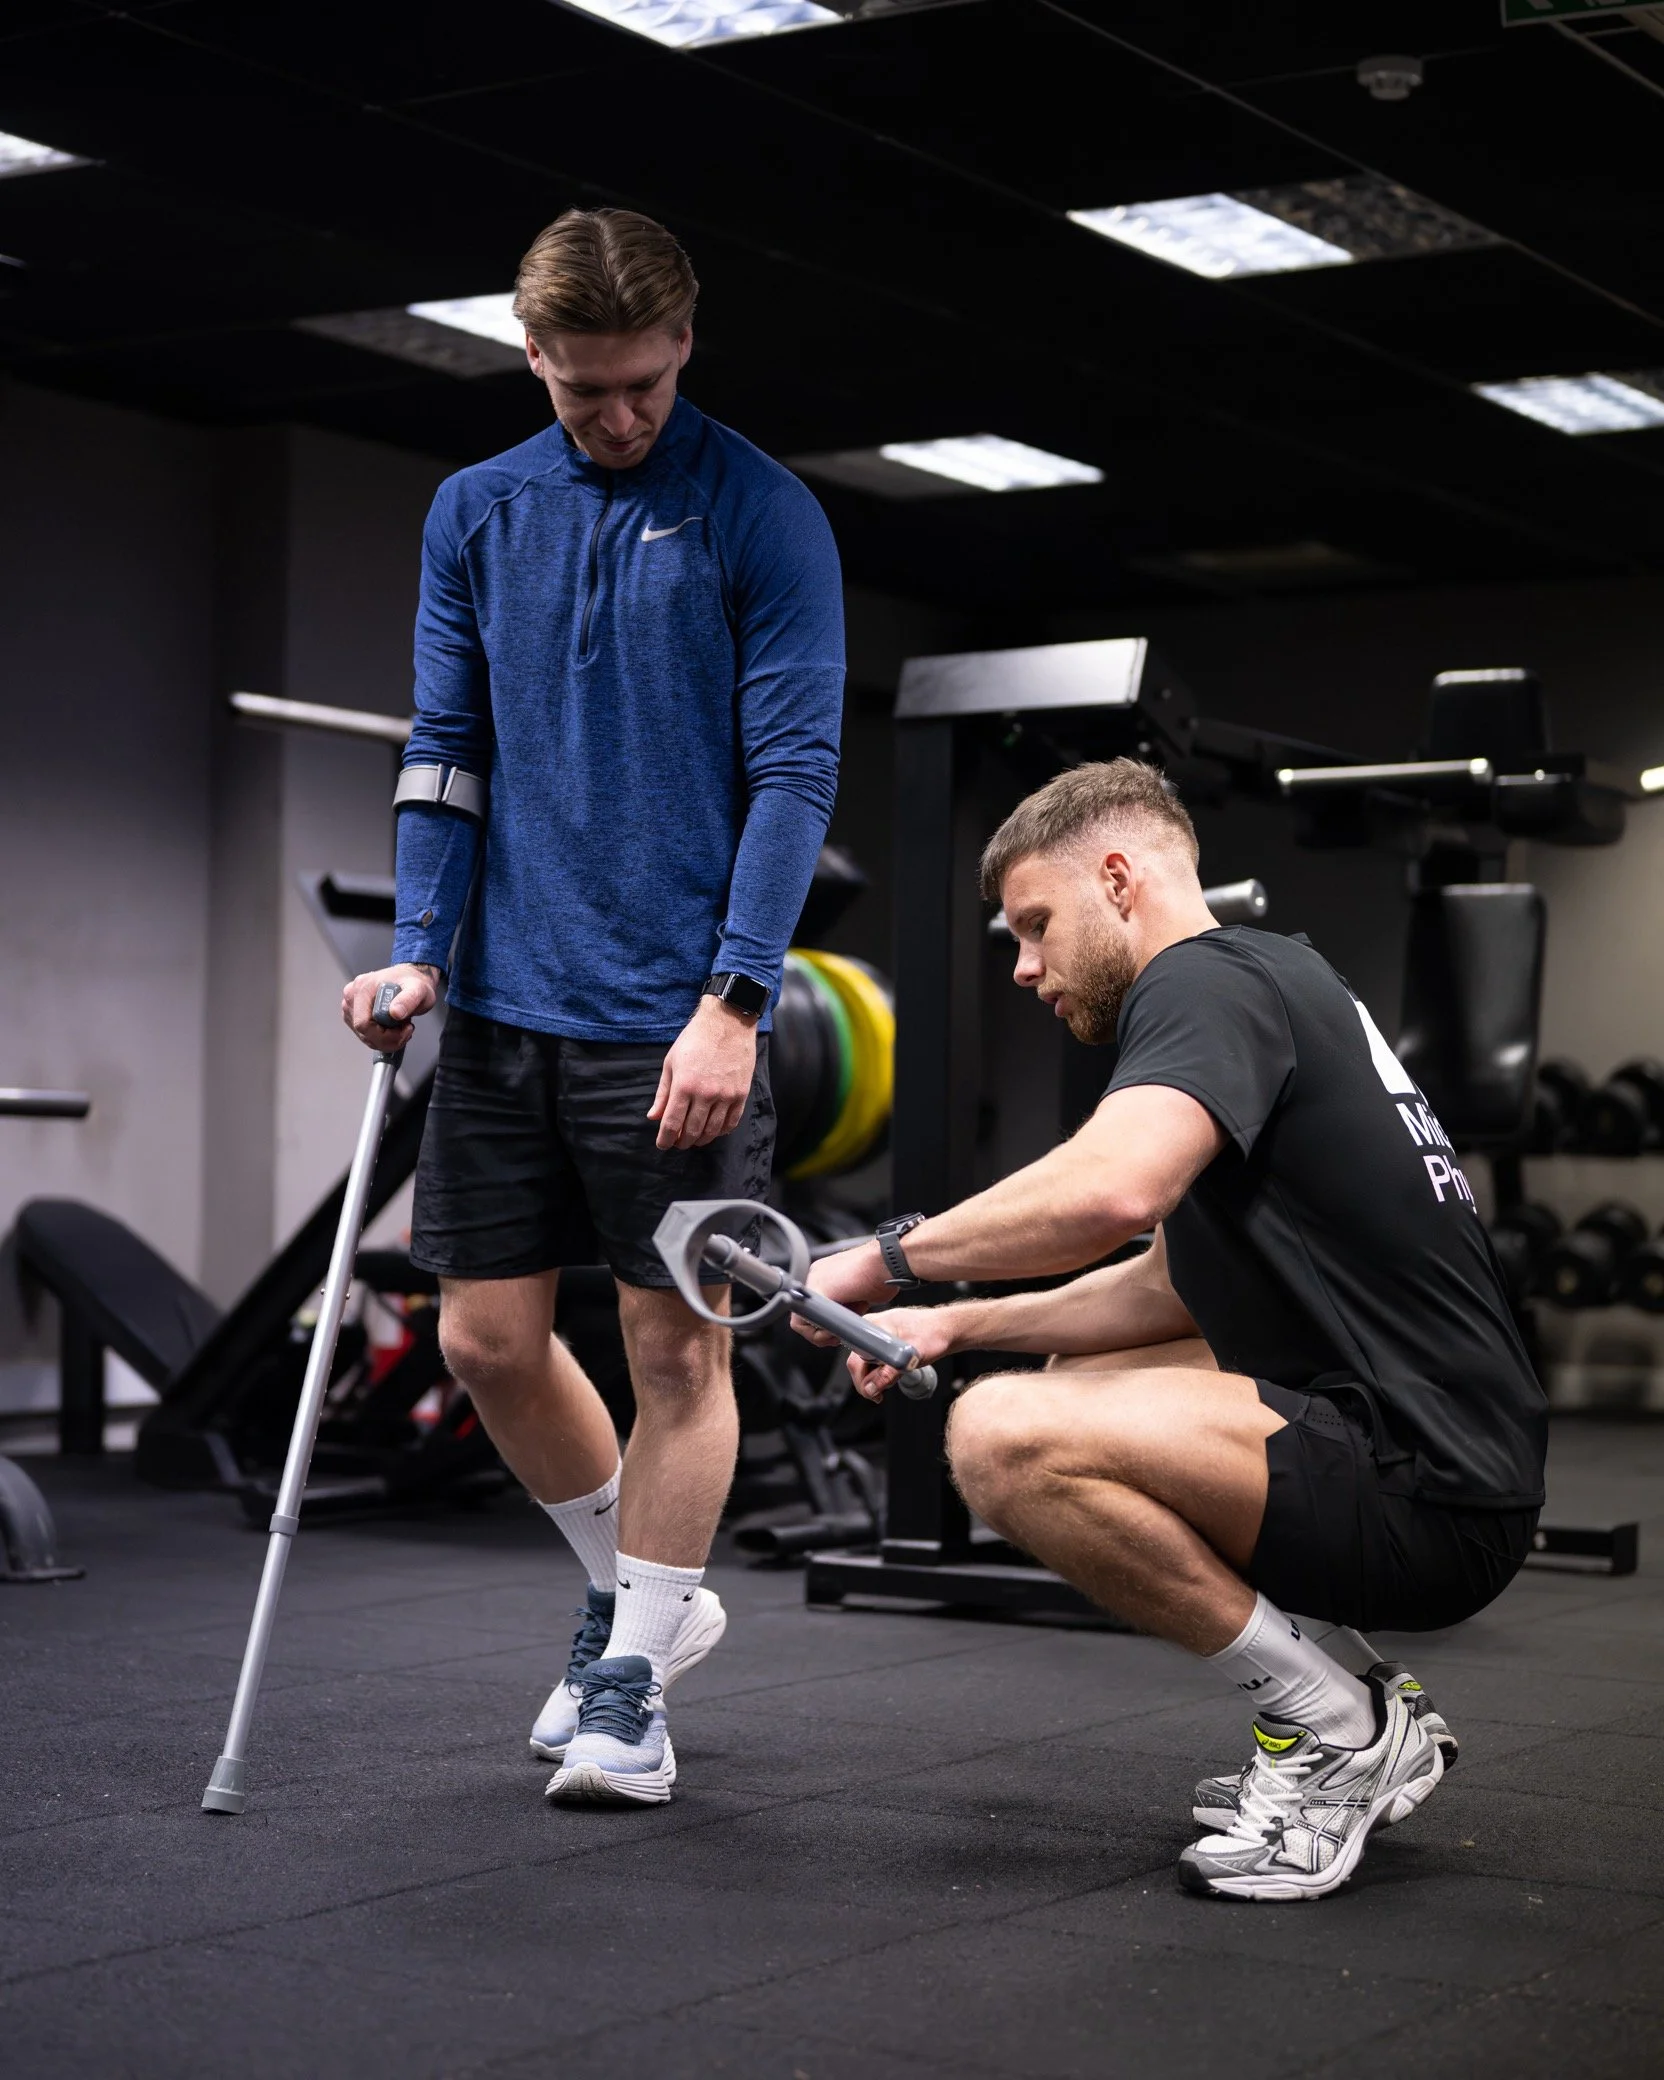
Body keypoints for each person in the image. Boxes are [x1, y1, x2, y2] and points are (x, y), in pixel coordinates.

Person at [806, 758, 1545, 1900]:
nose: (1022, 965)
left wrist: (881, 1256)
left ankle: (1333, 1724)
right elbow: (1167, 1285)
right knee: (1060, 1372)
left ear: (1117, 875)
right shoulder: (1280, 975)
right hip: (1441, 1462)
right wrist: (954, 1322)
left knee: (1004, 1437)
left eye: (1036, 924)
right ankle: (1349, 1693)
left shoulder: (1197, 980)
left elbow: (1111, 1192)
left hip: (1422, 1485)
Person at [342, 208, 844, 1807]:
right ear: (535, 356)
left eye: (641, 384)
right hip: (501, 1005)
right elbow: (444, 747)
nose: (618, 418)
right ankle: (643, 1595)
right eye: (584, 392)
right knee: (487, 1341)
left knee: (671, 1350)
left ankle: (631, 1681)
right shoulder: (477, 511)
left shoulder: (760, 513)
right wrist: (419, 943)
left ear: (685, 342)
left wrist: (738, 999)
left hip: (672, 1011)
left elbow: (793, 776)